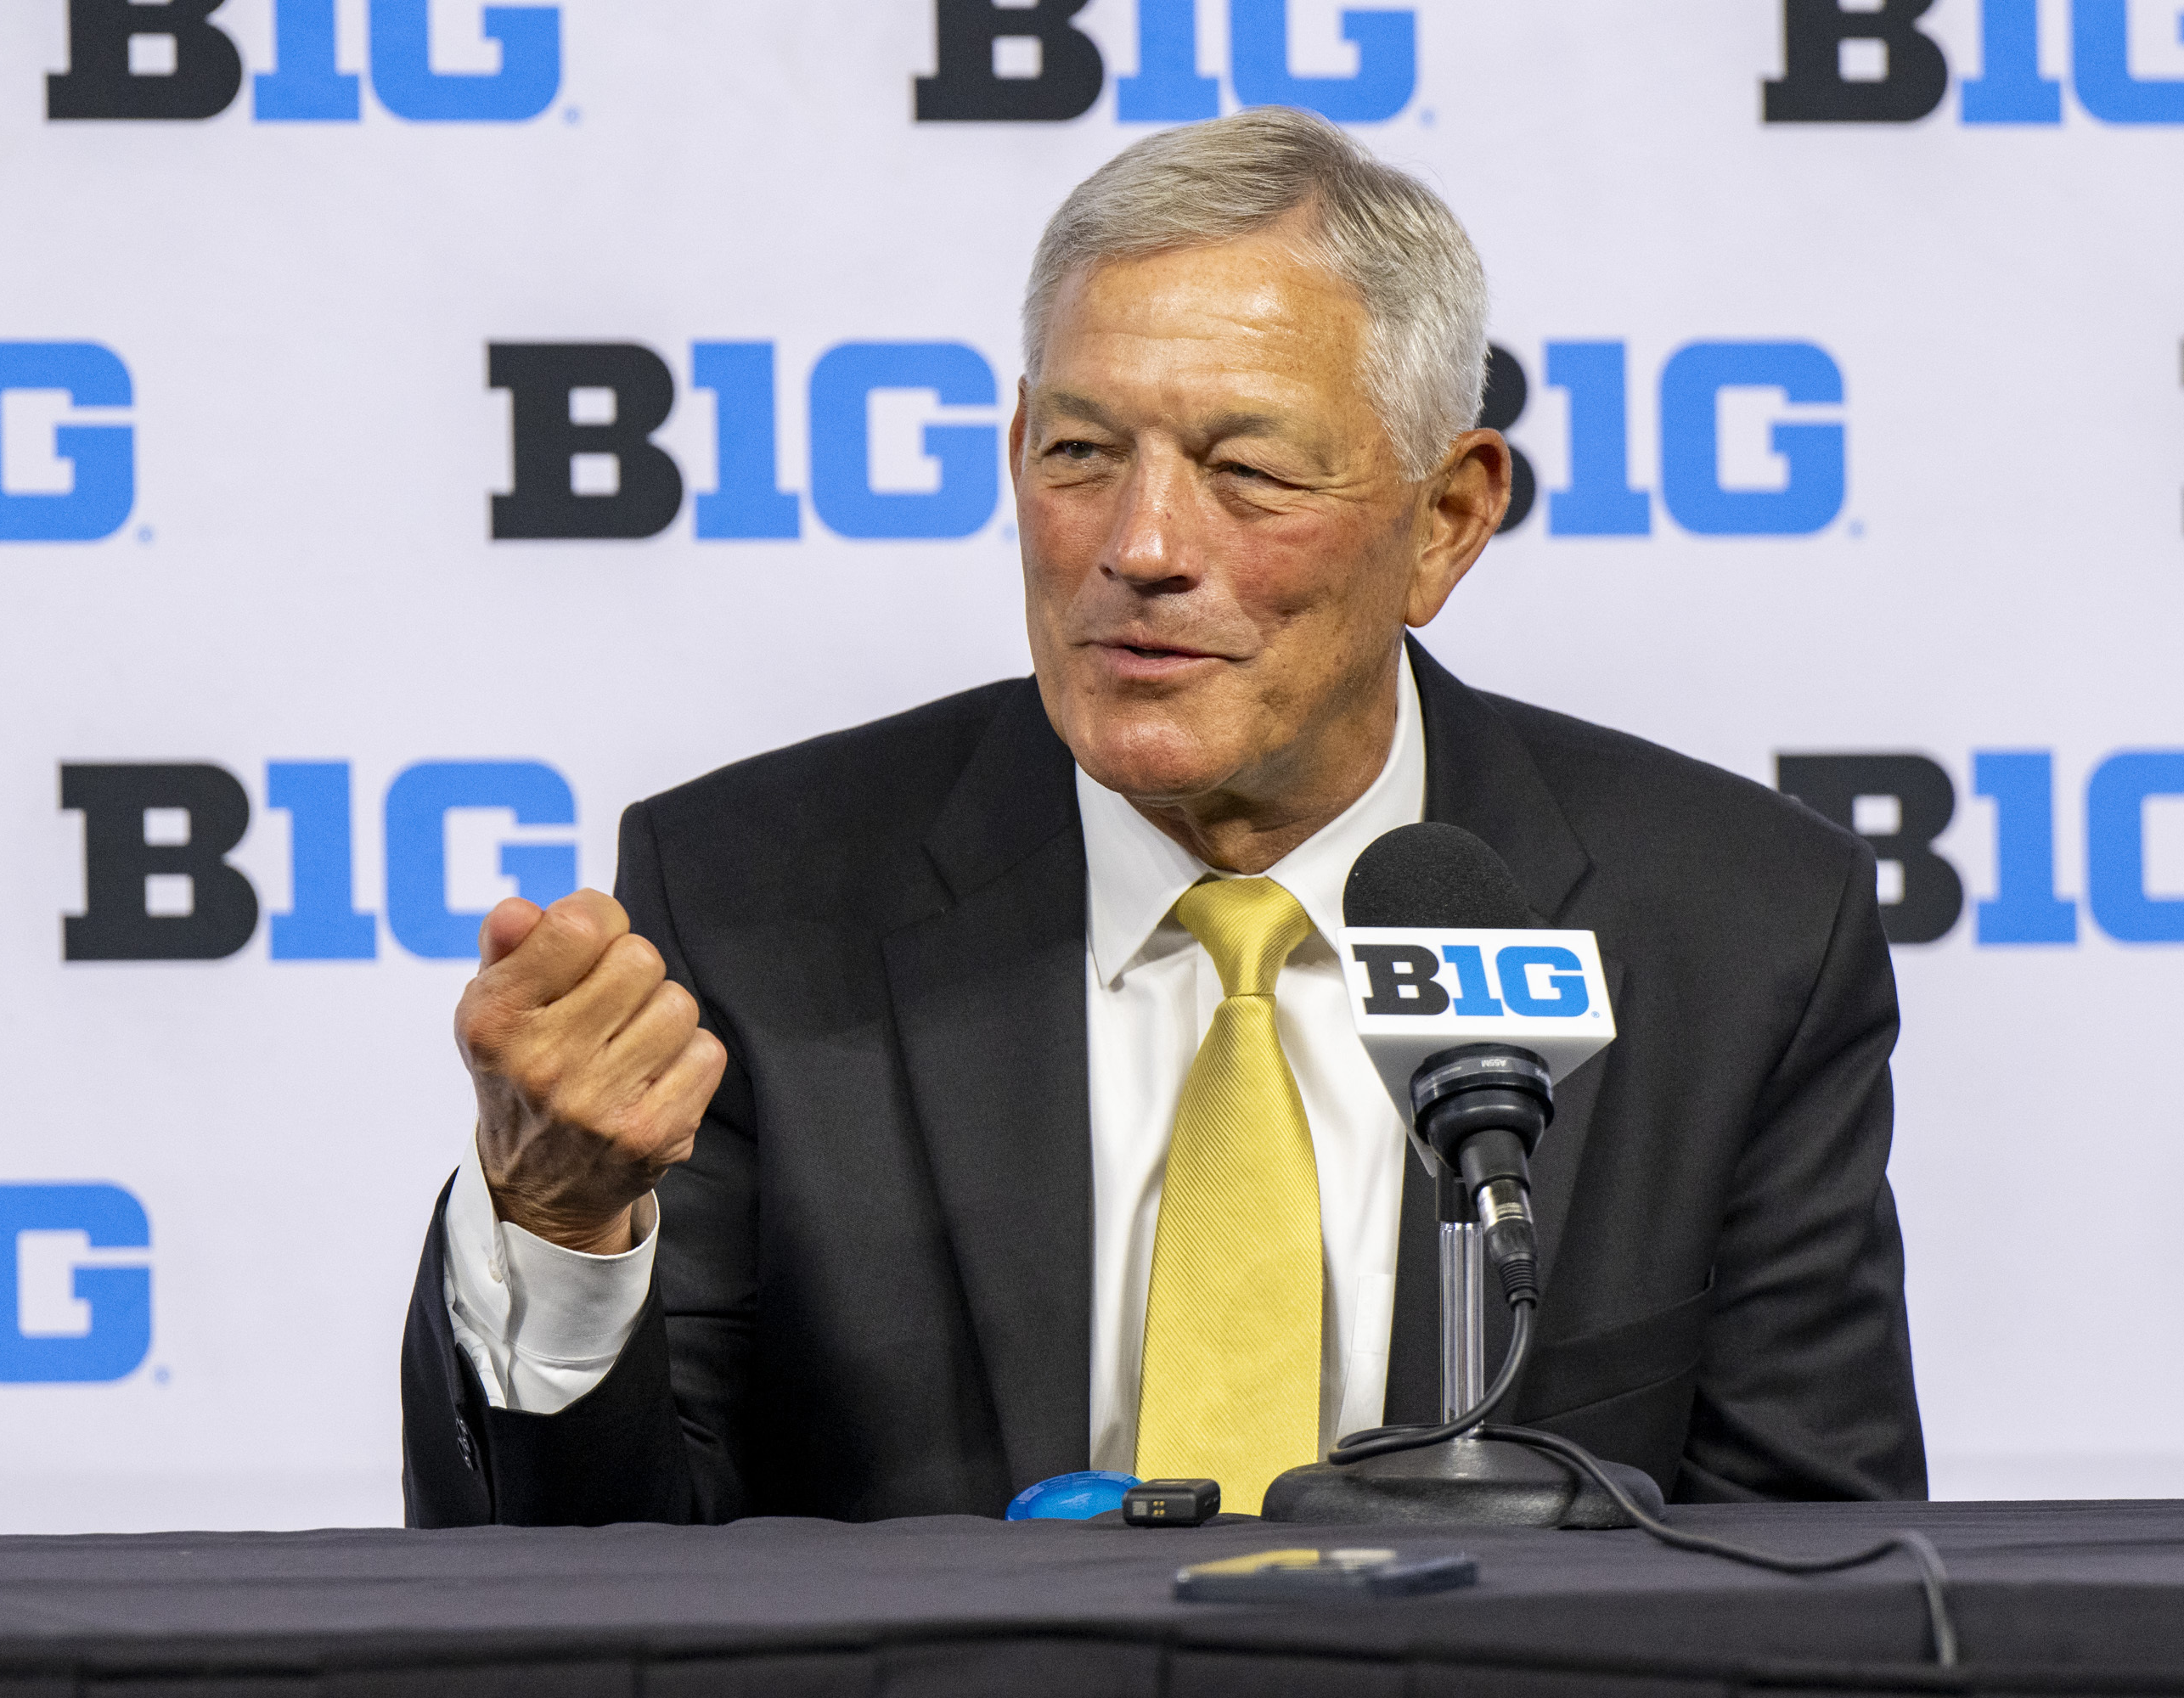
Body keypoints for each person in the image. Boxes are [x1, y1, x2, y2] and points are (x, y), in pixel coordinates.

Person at [402, 107, 1924, 1527]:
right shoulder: (747, 897)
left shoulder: (1739, 930)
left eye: (1246, 471)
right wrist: (561, 1226)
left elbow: (1806, 1579)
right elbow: (598, 1590)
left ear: (1446, 520)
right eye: (1079, 455)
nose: (1139, 546)